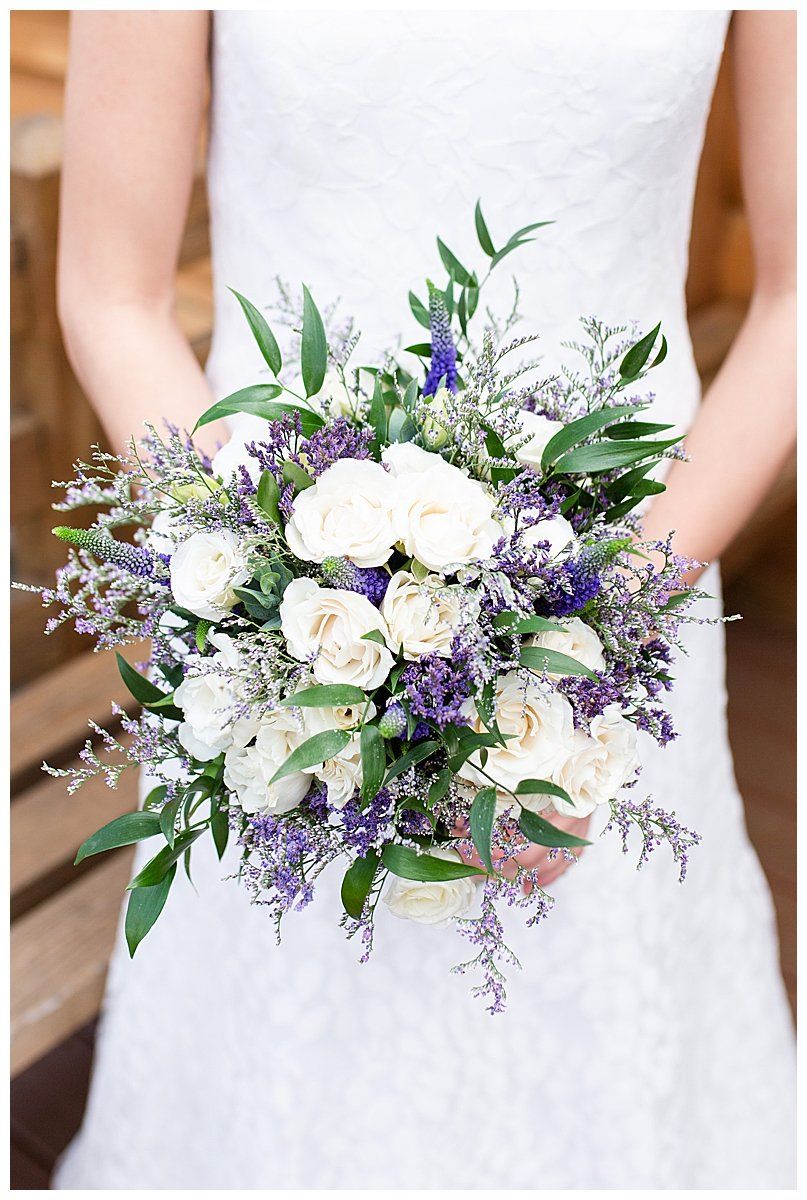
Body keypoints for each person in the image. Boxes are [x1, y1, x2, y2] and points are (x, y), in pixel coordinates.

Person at [53, 10, 795, 1189]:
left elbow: (795, 296)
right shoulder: (283, 614)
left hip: (638, 593)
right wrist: (273, 600)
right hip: (292, 624)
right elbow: (112, 292)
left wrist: (594, 647)